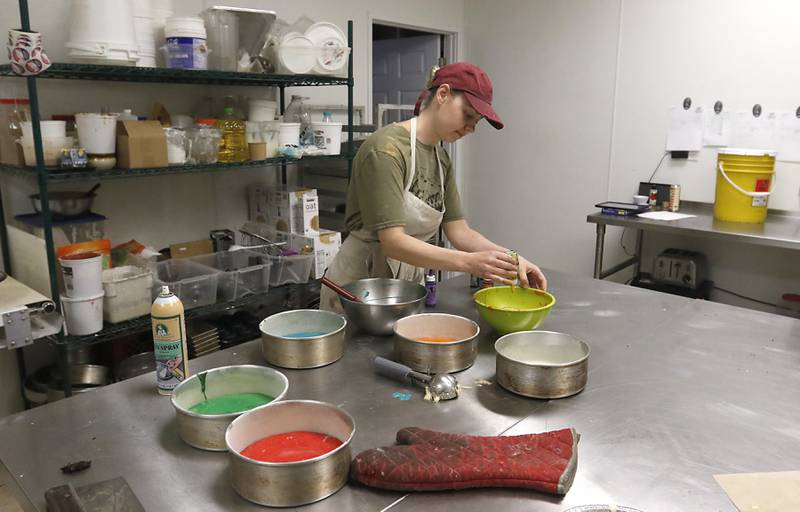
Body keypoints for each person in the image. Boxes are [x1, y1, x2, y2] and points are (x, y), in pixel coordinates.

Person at [320, 62, 546, 312]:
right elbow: (393, 242)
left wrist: (513, 260)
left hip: (403, 289)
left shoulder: (441, 159)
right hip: (359, 289)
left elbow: (460, 232)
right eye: (468, 115)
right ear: (443, 94)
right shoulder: (386, 150)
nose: (471, 128)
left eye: (476, 122)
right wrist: (470, 263)